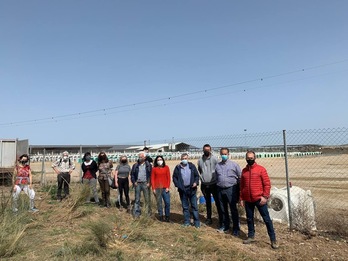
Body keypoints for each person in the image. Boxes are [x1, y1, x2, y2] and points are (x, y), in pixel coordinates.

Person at [240, 151, 279, 249]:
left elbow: (267, 184)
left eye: (251, 158)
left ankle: (273, 239)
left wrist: (265, 197)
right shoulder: (244, 171)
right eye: (248, 158)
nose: (249, 160)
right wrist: (241, 198)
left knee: (267, 219)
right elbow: (242, 186)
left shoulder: (261, 169)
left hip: (259, 199)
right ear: (245, 158)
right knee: (249, 219)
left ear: (255, 158)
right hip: (248, 200)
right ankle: (251, 236)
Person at [215, 147, 241, 235]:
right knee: (223, 209)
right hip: (220, 189)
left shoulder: (234, 165)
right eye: (222, 154)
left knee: (233, 209)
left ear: (228, 154)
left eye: (225, 154)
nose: (224, 155)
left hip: (231, 189)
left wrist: (238, 190)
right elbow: (216, 177)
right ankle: (225, 226)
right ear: (220, 154)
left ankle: (236, 228)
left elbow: (240, 177)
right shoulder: (218, 166)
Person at [173, 153, 200, 228]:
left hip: (192, 189)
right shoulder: (178, 168)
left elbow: (196, 176)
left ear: (188, 159)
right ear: (181, 159)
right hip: (182, 190)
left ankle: (196, 222)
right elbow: (174, 177)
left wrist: (195, 182)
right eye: (183, 158)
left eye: (186, 158)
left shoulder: (192, 166)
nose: (184, 160)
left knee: (194, 206)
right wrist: (178, 185)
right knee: (185, 207)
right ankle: (187, 222)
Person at [197, 144, 222, 226]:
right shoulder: (200, 160)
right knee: (207, 202)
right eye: (205, 150)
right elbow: (200, 170)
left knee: (218, 202)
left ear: (210, 150)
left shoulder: (215, 159)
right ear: (203, 150)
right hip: (204, 184)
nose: (206, 151)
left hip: (214, 184)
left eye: (208, 150)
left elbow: (219, 169)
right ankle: (209, 218)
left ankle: (221, 219)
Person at [131, 151, 152, 217]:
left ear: (145, 157)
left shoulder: (148, 165)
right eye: (139, 157)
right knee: (137, 199)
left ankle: (148, 214)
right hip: (138, 184)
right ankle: (137, 214)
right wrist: (134, 182)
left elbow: (151, 175)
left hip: (146, 183)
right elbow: (132, 174)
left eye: (141, 157)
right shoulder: (135, 165)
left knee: (147, 199)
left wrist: (149, 182)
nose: (140, 158)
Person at [151, 155, 171, 222]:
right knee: (159, 203)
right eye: (158, 160)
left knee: (167, 203)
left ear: (163, 160)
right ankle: (161, 216)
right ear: (156, 161)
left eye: (161, 159)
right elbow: (152, 179)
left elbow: (168, 178)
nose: (160, 161)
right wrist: (153, 188)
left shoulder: (166, 167)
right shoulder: (154, 169)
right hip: (157, 188)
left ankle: (167, 216)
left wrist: (168, 187)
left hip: (165, 188)